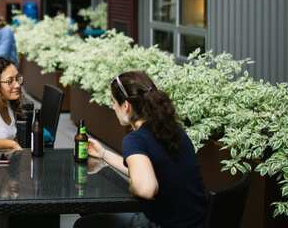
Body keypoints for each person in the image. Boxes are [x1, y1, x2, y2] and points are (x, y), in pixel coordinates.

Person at [76, 71, 206, 228]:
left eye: (113, 102)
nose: (112, 106)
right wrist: (103, 154)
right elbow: (148, 169)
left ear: (126, 106)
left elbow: (146, 188)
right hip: (196, 222)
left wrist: (135, 183)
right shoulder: (172, 130)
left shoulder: (135, 140)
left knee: (84, 224)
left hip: (164, 224)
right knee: (93, 214)